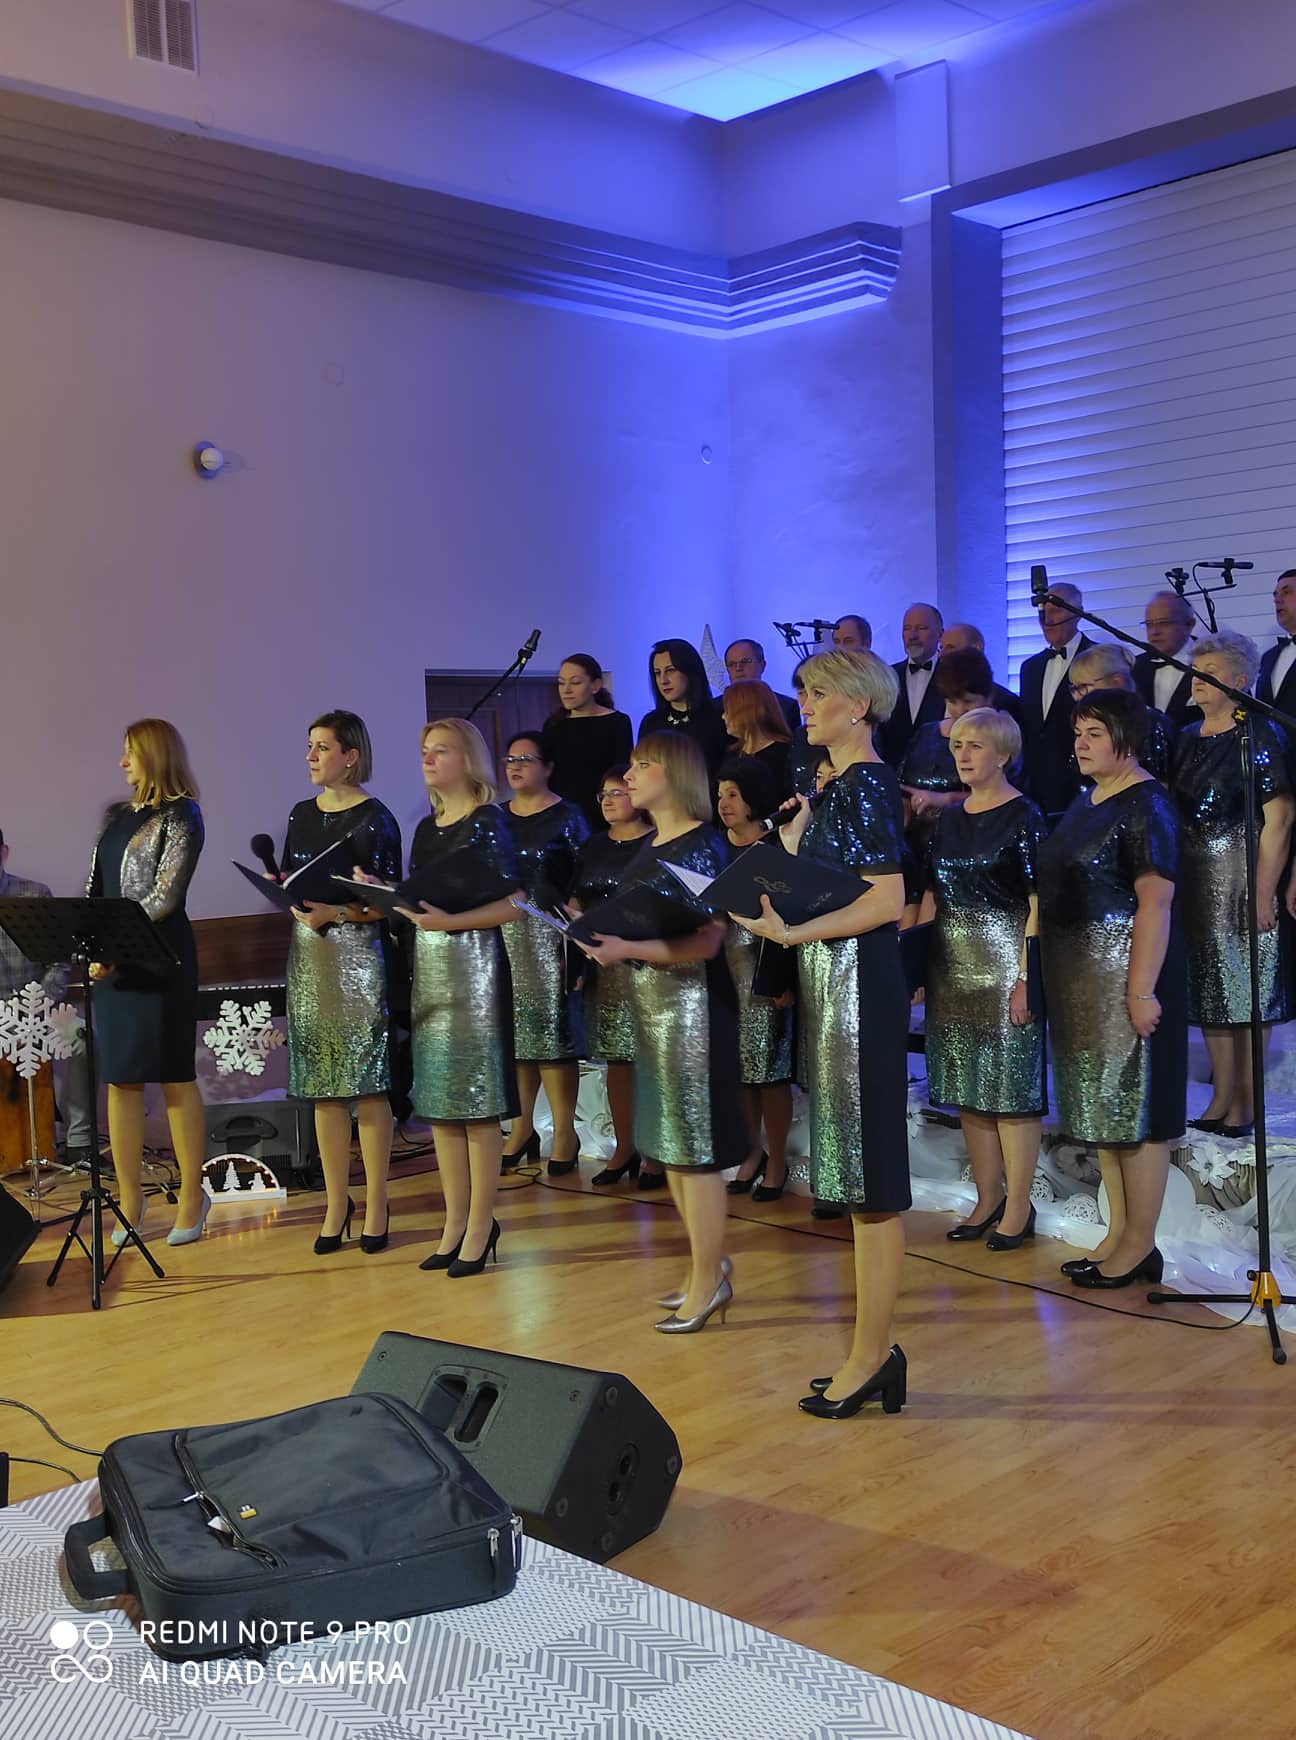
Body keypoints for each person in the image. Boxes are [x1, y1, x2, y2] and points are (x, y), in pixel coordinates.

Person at [733, 650, 910, 1417]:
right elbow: (827, 887)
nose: (803, 704)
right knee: (856, 1178)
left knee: (872, 1186)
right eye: (802, 692)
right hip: (835, 985)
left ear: (859, 706)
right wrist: (796, 840)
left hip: (860, 985)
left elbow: (886, 901)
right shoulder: (834, 785)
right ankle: (870, 1353)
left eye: (818, 693)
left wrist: (794, 935)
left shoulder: (868, 782)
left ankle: (873, 1358)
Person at [579, 733, 745, 1333]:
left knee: (694, 1153)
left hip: (694, 1010)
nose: (628, 776)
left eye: (641, 765)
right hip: (654, 1008)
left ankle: (709, 1281)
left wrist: (626, 948)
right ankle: (705, 1266)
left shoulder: (703, 843)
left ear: (673, 773)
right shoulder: (653, 843)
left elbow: (708, 941)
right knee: (672, 1146)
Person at [1038, 690, 1186, 1289]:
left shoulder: (1148, 803)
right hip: (1084, 986)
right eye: (1077, 732)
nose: (1080, 743)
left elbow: (1156, 902)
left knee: (1141, 1115)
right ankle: (1118, 1234)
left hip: (1128, 977)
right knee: (1109, 1110)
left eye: (1094, 733)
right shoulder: (1088, 798)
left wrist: (1140, 990)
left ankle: (1140, 1243)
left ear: (1127, 739)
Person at [402, 718, 523, 1276]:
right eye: (425, 751)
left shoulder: (489, 821)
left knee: (476, 1104)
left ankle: (480, 1224)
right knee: (441, 1105)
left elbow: (515, 904)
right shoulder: (425, 828)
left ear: (467, 760)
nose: (428, 759)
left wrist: (451, 922)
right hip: (430, 967)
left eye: (440, 750)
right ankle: (453, 1222)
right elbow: (419, 899)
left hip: (474, 966)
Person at [282, 709, 401, 1255]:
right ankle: (336, 1203)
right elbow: (293, 881)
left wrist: (338, 913)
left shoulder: (376, 819)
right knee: (323, 1089)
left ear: (351, 756)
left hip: (357, 957)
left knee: (368, 1086)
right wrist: (286, 896)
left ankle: (377, 1203)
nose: (311, 756)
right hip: (309, 956)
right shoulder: (300, 814)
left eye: (323, 747)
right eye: (309, 746)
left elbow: (390, 904)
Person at [926, 710, 1046, 1248]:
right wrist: (918, 965)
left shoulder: (1025, 815)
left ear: (1003, 754)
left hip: (1004, 966)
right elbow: (932, 893)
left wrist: (1026, 976)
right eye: (957, 745)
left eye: (975, 746)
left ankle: (1018, 1206)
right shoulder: (948, 818)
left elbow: (1039, 902)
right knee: (968, 1090)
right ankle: (987, 1197)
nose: (963, 755)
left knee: (1011, 1092)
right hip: (952, 967)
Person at [88, 719, 207, 1246]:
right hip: (114, 965)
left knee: (174, 1077)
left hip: (160, 961)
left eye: (130, 753)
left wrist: (113, 948)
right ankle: (131, 1200)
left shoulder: (183, 814)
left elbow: (165, 896)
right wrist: (93, 946)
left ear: (155, 755)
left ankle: (192, 1196)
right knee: (121, 1080)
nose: (122, 762)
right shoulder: (116, 817)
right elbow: (95, 887)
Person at [1176, 633, 1293, 1136]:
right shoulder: (1185, 737)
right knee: (1210, 993)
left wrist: (1264, 892)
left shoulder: (1259, 734)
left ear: (1241, 681)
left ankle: (1246, 1101)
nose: (1198, 681)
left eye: (1211, 672)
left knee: (1248, 992)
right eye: (1195, 671)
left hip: (1243, 876)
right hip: (1196, 881)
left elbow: (1280, 818)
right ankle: (1221, 1096)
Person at [500, 732, 590, 1174]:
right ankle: (521, 1128)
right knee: (516, 1039)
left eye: (526, 758)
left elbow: (585, 877)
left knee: (552, 1039)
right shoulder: (496, 817)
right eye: (510, 759)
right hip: (504, 937)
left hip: (551, 938)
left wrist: (575, 935)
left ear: (548, 767)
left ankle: (565, 1132)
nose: (515, 766)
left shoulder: (568, 815)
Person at [567, 764, 653, 1188]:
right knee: (617, 1060)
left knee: (650, 1061)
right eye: (603, 794)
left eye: (618, 792)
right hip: (603, 965)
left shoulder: (657, 842)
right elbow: (576, 897)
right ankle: (624, 1147)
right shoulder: (594, 845)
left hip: (646, 962)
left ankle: (655, 1153)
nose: (608, 800)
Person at [715, 757, 795, 1202]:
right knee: (740, 1072)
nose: (724, 803)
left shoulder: (776, 845)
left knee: (769, 1073)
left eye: (733, 794)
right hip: (723, 969)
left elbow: (791, 913)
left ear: (753, 799)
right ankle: (751, 1152)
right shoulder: (714, 846)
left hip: (764, 970)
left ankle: (777, 1159)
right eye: (720, 795)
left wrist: (785, 980)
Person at [0, 829, 94, 1165]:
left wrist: (36, 1004)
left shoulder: (34, 895)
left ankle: (80, 1141)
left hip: (37, 1007)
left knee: (82, 1037)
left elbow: (59, 961)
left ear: (4, 852)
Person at [1017, 581, 1093, 819]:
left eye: (1056, 610)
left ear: (1078, 613)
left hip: (1084, 785)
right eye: (1043, 613)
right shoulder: (1029, 668)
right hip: (1036, 792)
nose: (1047, 620)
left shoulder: (1098, 659)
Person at [899, 647, 996, 827]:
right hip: (915, 838)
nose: (960, 710)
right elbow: (903, 787)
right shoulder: (926, 733)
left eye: (968, 701)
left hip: (970, 836)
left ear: (988, 697)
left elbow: (1006, 799)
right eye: (952, 701)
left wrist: (947, 799)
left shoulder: (1000, 739)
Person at [539, 654, 633, 831]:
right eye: (561, 683)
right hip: (561, 815)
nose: (566, 690)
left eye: (575, 683)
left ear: (595, 686)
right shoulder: (553, 725)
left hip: (602, 812)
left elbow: (621, 771)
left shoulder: (617, 722)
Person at [1068, 644, 1175, 783]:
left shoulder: (1152, 723)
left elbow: (1161, 780)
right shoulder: (1085, 723)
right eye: (1074, 688)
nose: (1077, 697)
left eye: (1083, 687)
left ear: (1117, 682)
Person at [638, 639, 729, 775]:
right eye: (657, 673)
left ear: (690, 671)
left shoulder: (719, 718)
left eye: (670, 670)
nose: (663, 680)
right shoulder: (651, 722)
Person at [879, 602, 944, 767]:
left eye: (921, 628)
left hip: (939, 774)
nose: (913, 636)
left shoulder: (953, 676)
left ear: (940, 634)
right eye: (907, 629)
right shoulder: (887, 676)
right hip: (893, 774)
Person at [720, 679, 793, 803]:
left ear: (747, 711)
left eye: (728, 710)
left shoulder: (785, 754)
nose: (723, 716)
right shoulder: (731, 755)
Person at [1133, 591, 1200, 727]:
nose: (1154, 632)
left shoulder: (1211, 662)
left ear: (1189, 624)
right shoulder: (1135, 666)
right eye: (1149, 624)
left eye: (1164, 623)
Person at [938, 622, 1022, 720]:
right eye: (941, 648)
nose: (941, 655)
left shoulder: (1006, 702)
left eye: (951, 647)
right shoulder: (937, 693)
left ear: (977, 648)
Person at [1257, 567, 1296, 771]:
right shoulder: (1269, 657)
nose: (1277, 600)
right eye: (1275, 595)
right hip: (1276, 770)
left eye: (1286, 592)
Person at [724, 638, 800, 734]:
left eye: (745, 661)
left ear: (762, 665)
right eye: (732, 664)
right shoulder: (715, 708)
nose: (738, 668)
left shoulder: (787, 706)